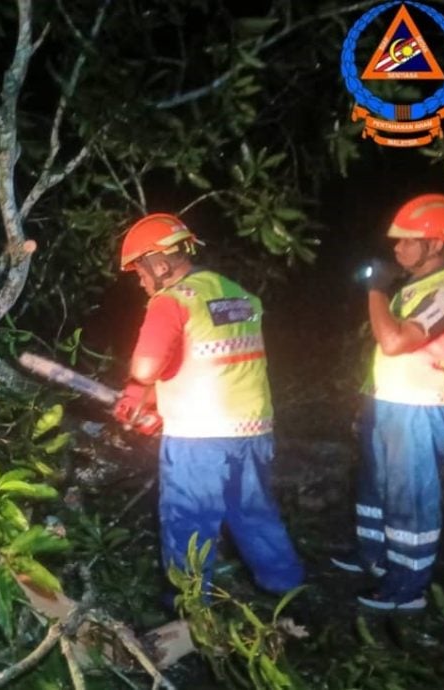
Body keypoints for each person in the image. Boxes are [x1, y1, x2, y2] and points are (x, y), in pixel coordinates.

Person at [112, 213, 304, 603]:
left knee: (189, 522)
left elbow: (146, 366)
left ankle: (190, 609)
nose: (140, 279)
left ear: (161, 262)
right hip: (253, 429)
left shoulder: (171, 301)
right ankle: (289, 596)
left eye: (140, 269)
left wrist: (137, 390)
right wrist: (149, 399)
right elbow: (204, 360)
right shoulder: (236, 293)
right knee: (254, 515)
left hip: (199, 438)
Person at [331, 193, 444, 611]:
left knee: (410, 496)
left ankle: (408, 588)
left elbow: (394, 341)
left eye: (407, 241)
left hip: (419, 407)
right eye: (397, 241)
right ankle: (374, 558)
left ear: (437, 244)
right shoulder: (413, 287)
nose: (398, 248)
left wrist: (375, 290)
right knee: (375, 485)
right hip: (387, 402)